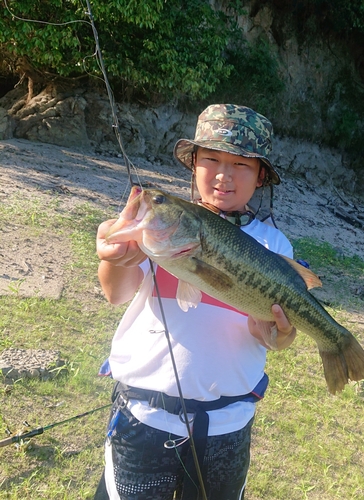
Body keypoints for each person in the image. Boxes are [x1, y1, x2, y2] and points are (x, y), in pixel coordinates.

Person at [94, 104, 297, 500]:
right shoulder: (159, 229)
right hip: (144, 416)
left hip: (227, 423)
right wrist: (113, 257)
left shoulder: (275, 247)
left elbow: (277, 339)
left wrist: (276, 335)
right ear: (193, 165)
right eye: (211, 159)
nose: (224, 174)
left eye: (241, 164)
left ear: (260, 177)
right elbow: (116, 293)